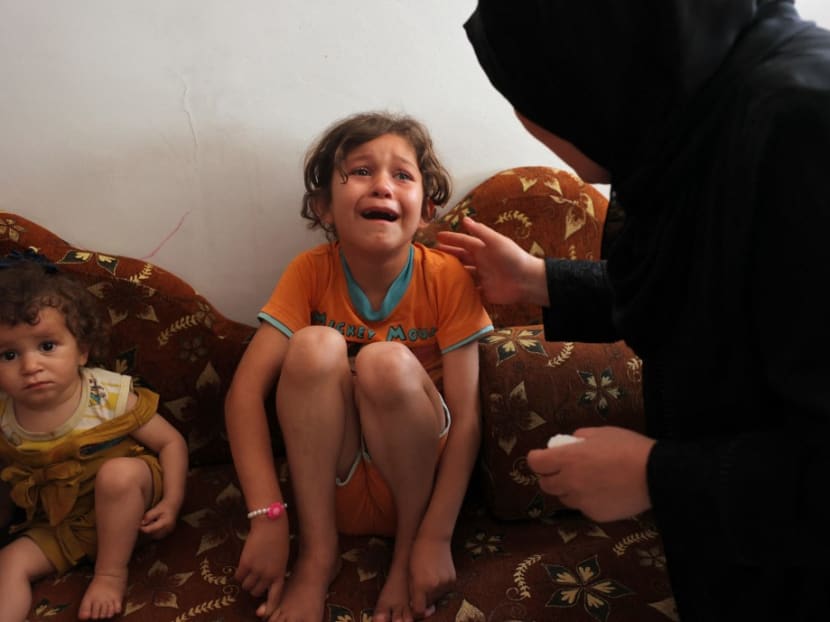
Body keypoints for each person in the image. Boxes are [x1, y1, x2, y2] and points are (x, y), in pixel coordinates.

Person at [435, 1, 830, 620]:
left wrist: (657, 475)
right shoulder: (708, 125)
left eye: (533, 89)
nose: (523, 117)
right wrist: (539, 280)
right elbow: (720, 295)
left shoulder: (804, 132)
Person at [225, 111, 493, 622]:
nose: (382, 187)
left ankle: (405, 553)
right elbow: (243, 396)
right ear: (324, 207)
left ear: (427, 209)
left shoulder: (447, 278)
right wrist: (268, 518)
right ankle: (317, 559)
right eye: (361, 171)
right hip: (334, 487)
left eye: (402, 175)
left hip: (415, 489)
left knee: (385, 363)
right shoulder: (309, 272)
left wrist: (435, 538)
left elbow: (468, 417)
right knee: (314, 347)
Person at [0, 254, 189, 622]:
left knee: (117, 475)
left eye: (47, 346)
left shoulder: (107, 394)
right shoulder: (5, 413)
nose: (30, 366)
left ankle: (109, 575)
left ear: (81, 350)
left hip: (133, 508)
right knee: (8, 563)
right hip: (64, 525)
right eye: (8, 354)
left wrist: (173, 501)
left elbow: (171, 442)